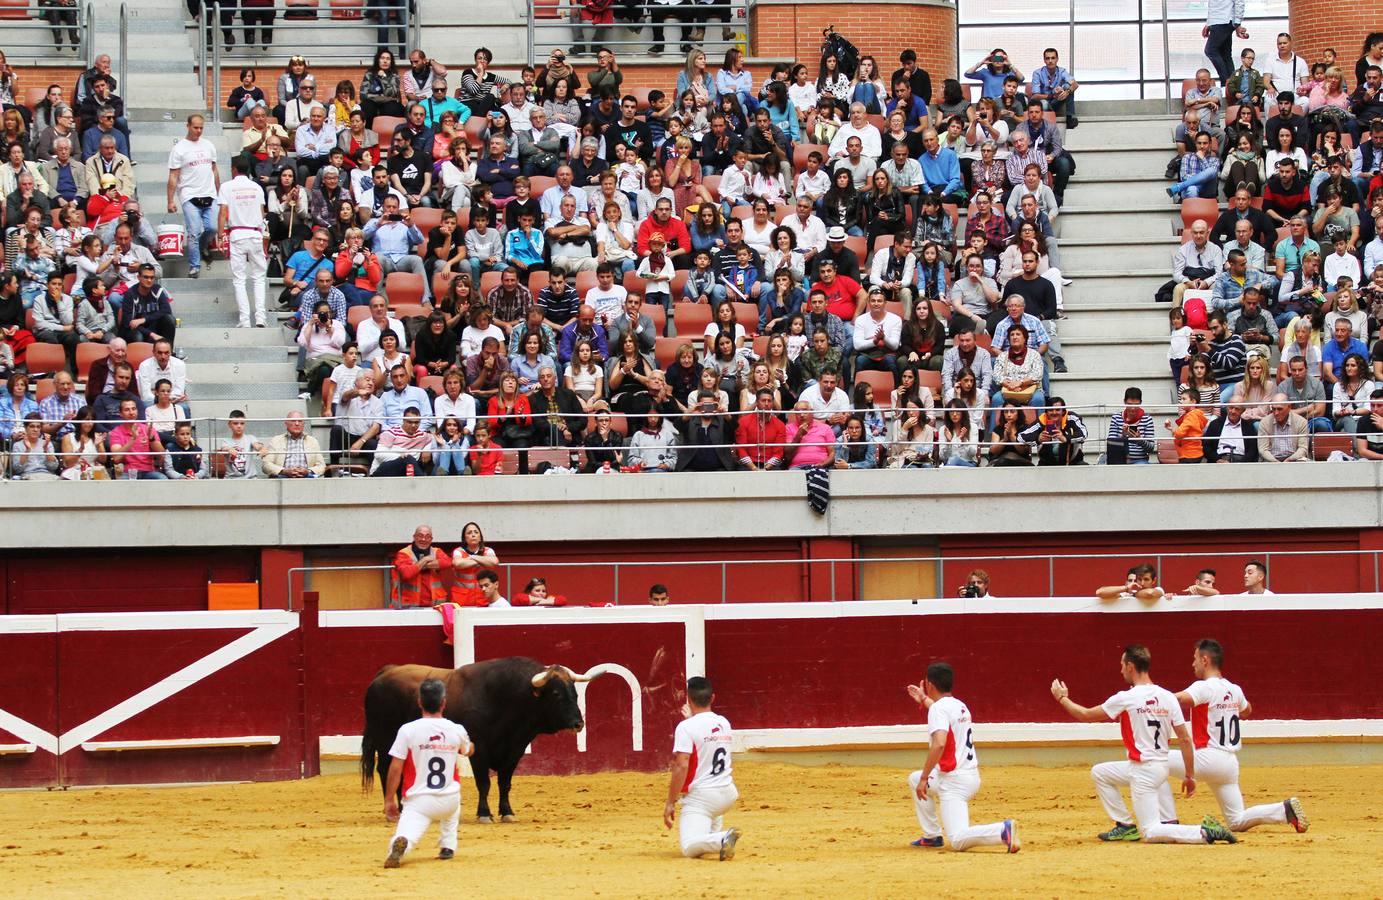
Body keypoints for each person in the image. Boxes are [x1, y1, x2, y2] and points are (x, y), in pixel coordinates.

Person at [1051, 644, 1236, 845]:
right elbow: (1184, 739)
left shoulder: (1126, 698)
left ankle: (1203, 832)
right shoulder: (1167, 696)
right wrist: (1189, 775)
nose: (1121, 669)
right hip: (1160, 767)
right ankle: (1125, 826)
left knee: (1150, 831)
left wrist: (1062, 698)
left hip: (1143, 771)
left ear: (1131, 666)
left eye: (1122, 665)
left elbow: (1085, 715)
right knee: (1100, 772)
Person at [1153, 639, 1310, 834]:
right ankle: (1284, 810)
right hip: (1229, 763)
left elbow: (1179, 700)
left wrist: (1150, 697)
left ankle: (1168, 822)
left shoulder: (1204, 687)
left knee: (1154, 760)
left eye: (1194, 659)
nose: (1192, 664)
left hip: (1207, 758)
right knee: (1237, 821)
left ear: (1205, 660)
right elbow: (1247, 710)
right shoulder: (1235, 689)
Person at [904, 662, 1019, 852]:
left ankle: (1001, 831)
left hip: (953, 781)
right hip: (968, 775)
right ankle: (931, 835)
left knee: (957, 840)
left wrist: (925, 777)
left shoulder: (938, 709)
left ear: (930, 684)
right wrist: (924, 699)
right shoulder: (960, 705)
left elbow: (939, 743)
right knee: (914, 779)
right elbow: (941, 713)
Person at [382, 678, 473, 869]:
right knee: (453, 808)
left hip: (420, 801)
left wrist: (389, 799)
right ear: (444, 702)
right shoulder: (457, 730)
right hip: (449, 799)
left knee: (409, 832)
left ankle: (400, 844)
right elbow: (468, 750)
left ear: (420, 702)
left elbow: (395, 767)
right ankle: (448, 845)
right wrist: (467, 744)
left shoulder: (408, 731)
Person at [664, 676, 740, 861]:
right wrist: (691, 719)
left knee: (689, 846)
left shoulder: (686, 727)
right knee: (703, 833)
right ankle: (716, 834)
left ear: (688, 700)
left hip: (703, 798)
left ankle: (722, 839)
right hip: (727, 793)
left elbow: (681, 765)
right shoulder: (724, 722)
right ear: (712, 698)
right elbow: (706, 732)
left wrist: (670, 802)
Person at [166, 115, 220, 280]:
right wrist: (170, 200)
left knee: (213, 227)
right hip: (189, 194)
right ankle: (194, 266)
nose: (198, 131)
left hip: (209, 193)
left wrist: (219, 192)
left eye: (201, 128)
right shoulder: (179, 149)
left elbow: (214, 170)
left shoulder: (209, 145)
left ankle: (203, 246)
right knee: (194, 231)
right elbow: (173, 176)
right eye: (195, 127)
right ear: (188, 126)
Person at [216, 156, 269, 328]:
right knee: (259, 278)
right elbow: (262, 213)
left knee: (239, 279)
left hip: (237, 233)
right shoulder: (257, 187)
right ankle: (261, 318)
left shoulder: (226, 187)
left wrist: (220, 235)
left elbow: (223, 212)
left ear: (233, 169)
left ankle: (245, 320)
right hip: (255, 234)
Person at [261, 411, 326, 478]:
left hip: (307, 479)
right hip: (282, 478)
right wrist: (284, 471)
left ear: (303, 424)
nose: (297, 424)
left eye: (300, 421)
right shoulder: (275, 440)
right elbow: (266, 465)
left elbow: (322, 466)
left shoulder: (313, 441)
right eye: (293, 421)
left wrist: (308, 471)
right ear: (286, 423)